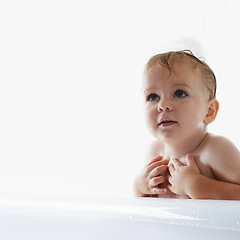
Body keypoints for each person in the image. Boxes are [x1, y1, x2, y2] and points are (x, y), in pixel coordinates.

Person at [133, 50, 240, 200]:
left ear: (209, 111)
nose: (163, 105)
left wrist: (198, 186)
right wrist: (139, 188)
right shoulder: (154, 153)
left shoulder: (216, 150)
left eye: (179, 93)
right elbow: (144, 213)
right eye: (153, 96)